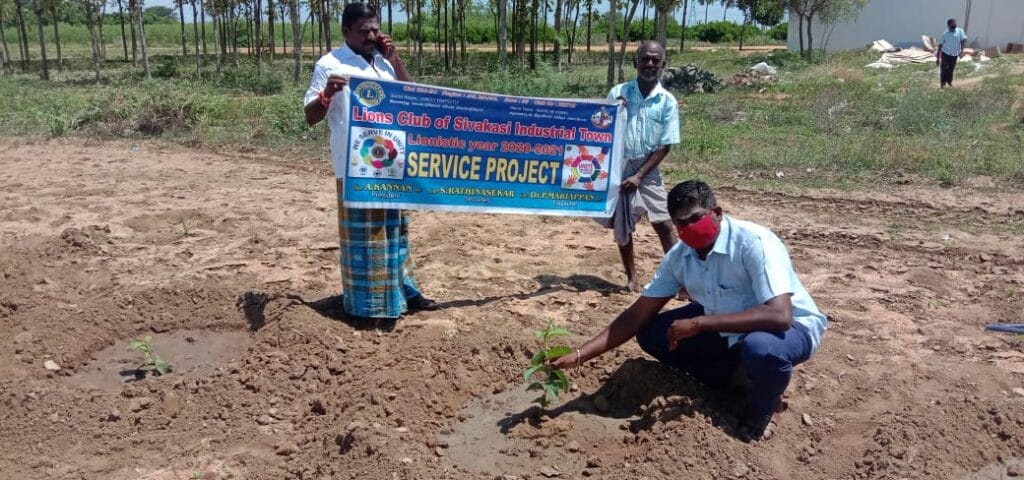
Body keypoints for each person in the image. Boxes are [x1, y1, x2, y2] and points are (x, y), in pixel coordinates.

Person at [554, 180, 827, 442]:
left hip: (791, 329)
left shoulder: (754, 243)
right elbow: (638, 314)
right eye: (681, 223)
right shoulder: (680, 256)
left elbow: (780, 317)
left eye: (696, 218)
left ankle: (766, 408)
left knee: (762, 349)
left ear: (717, 213)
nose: (689, 227)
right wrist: (580, 355)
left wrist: (700, 324)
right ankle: (738, 379)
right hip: (727, 325)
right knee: (652, 334)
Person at [304, 3, 436, 319]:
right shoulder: (330, 64)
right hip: (355, 166)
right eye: (364, 31)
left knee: (395, 232)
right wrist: (327, 93)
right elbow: (310, 116)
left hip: (391, 161)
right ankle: (367, 306)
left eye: (375, 29)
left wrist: (395, 59)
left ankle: (404, 290)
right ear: (346, 32)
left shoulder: (384, 63)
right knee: (364, 237)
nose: (372, 35)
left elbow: (412, 97)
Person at [598, 40, 680, 292]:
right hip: (618, 166)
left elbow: (665, 144)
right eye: (645, 58)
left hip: (648, 168)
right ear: (636, 62)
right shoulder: (618, 92)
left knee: (664, 224)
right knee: (622, 224)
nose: (650, 63)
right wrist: (612, 111)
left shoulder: (667, 101)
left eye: (656, 60)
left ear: (663, 65)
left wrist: (640, 176)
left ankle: (680, 281)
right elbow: (600, 126)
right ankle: (631, 279)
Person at [936, 18, 967, 89]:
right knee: (943, 69)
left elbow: (963, 40)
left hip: (955, 54)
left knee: (951, 69)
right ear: (948, 26)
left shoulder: (960, 31)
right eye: (952, 26)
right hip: (945, 53)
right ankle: (943, 84)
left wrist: (961, 51)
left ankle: (949, 82)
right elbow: (940, 46)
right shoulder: (945, 34)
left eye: (955, 25)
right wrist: (937, 58)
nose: (954, 27)